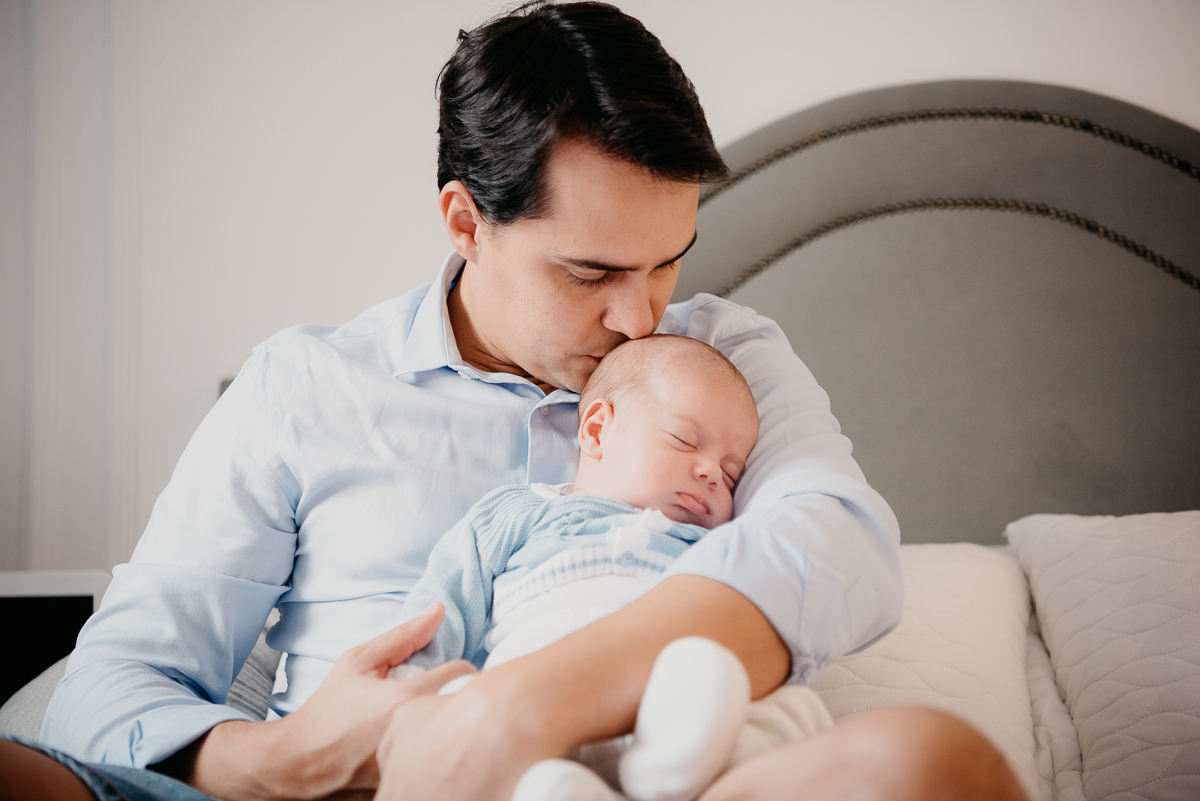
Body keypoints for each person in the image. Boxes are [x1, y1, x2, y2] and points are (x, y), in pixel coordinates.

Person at [2, 3, 1027, 800]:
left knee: (932, 760)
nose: (641, 318)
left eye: (668, 261)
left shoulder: (725, 357)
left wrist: (518, 710)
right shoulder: (305, 388)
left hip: (668, 779)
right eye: (590, 274)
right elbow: (104, 694)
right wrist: (285, 759)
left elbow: (838, 543)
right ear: (465, 220)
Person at [388, 334, 834, 801]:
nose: (709, 472)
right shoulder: (524, 511)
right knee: (458, 710)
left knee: (785, 706)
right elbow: (443, 606)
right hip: (536, 699)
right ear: (597, 431)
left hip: (671, 694)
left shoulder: (716, 543)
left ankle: (666, 767)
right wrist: (408, 688)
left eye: (730, 474)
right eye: (684, 440)